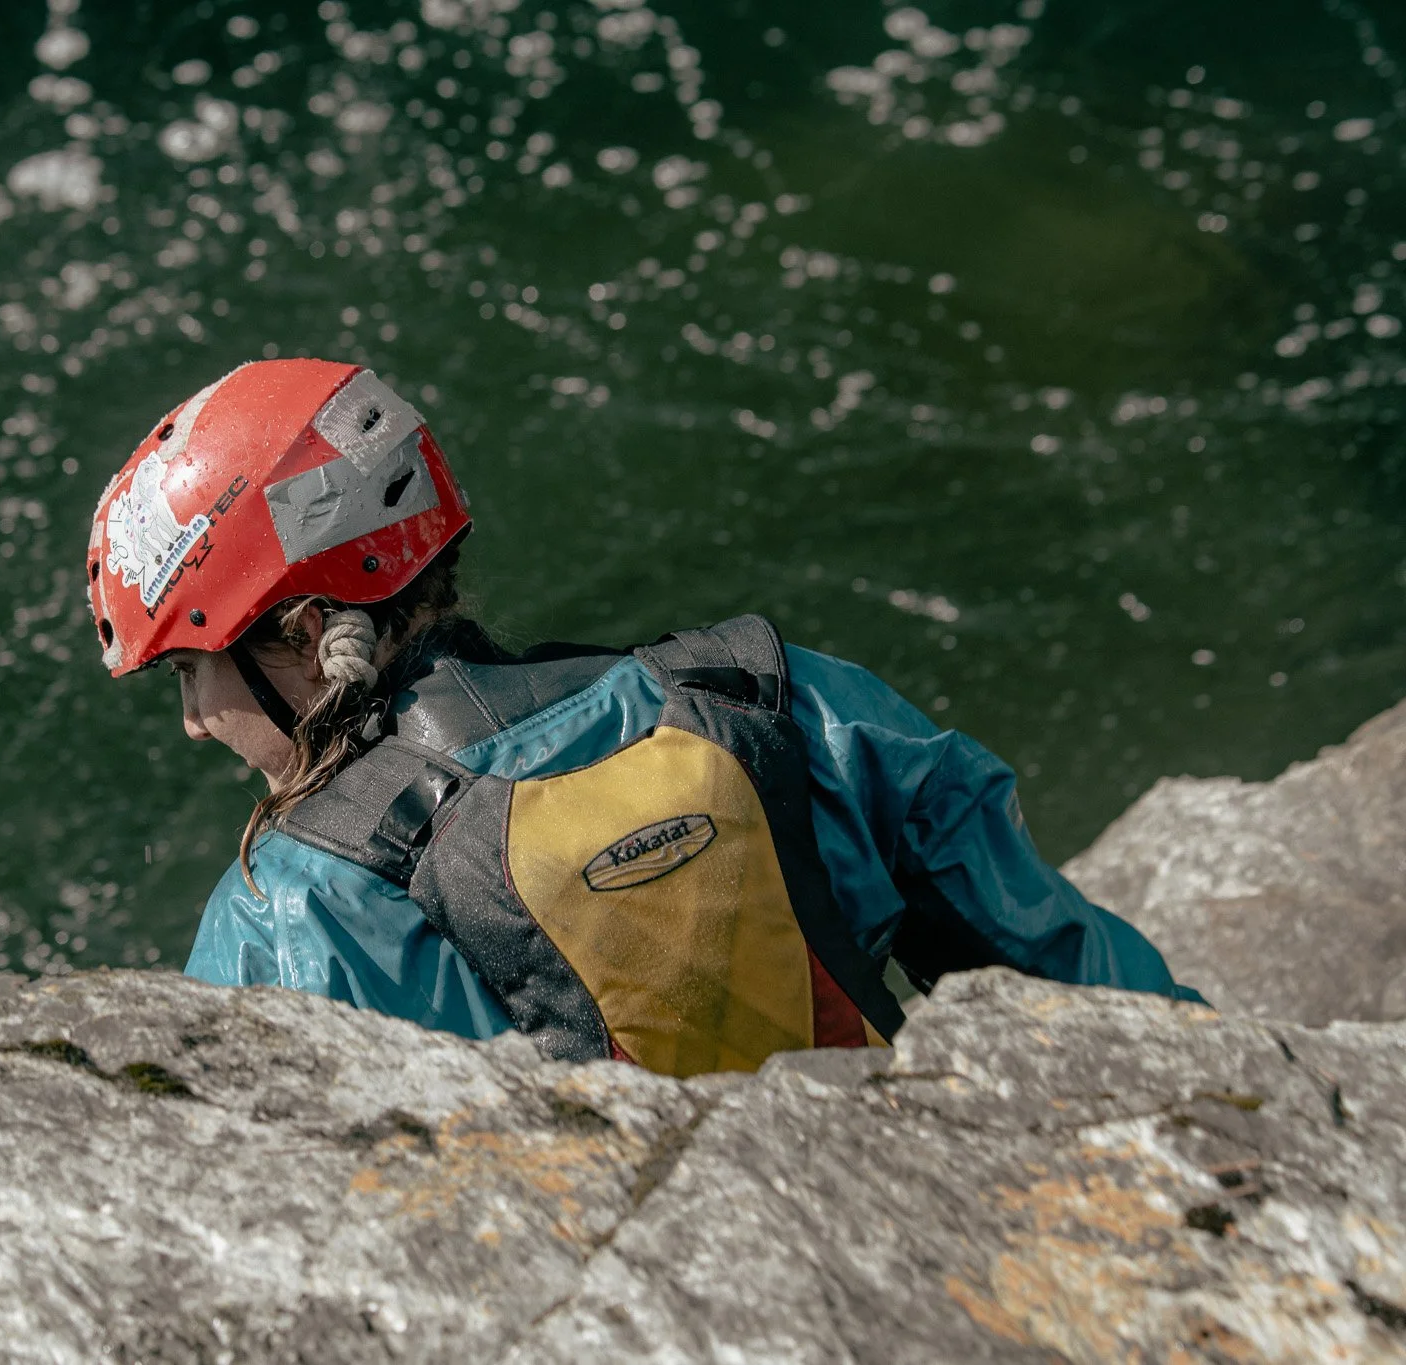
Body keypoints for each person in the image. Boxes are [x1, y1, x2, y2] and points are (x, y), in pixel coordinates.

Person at [87, 358, 1203, 1077]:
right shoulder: (774, 698)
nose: (195, 721)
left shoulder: (287, 916)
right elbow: (1094, 998)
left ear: (308, 633)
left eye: (193, 671)